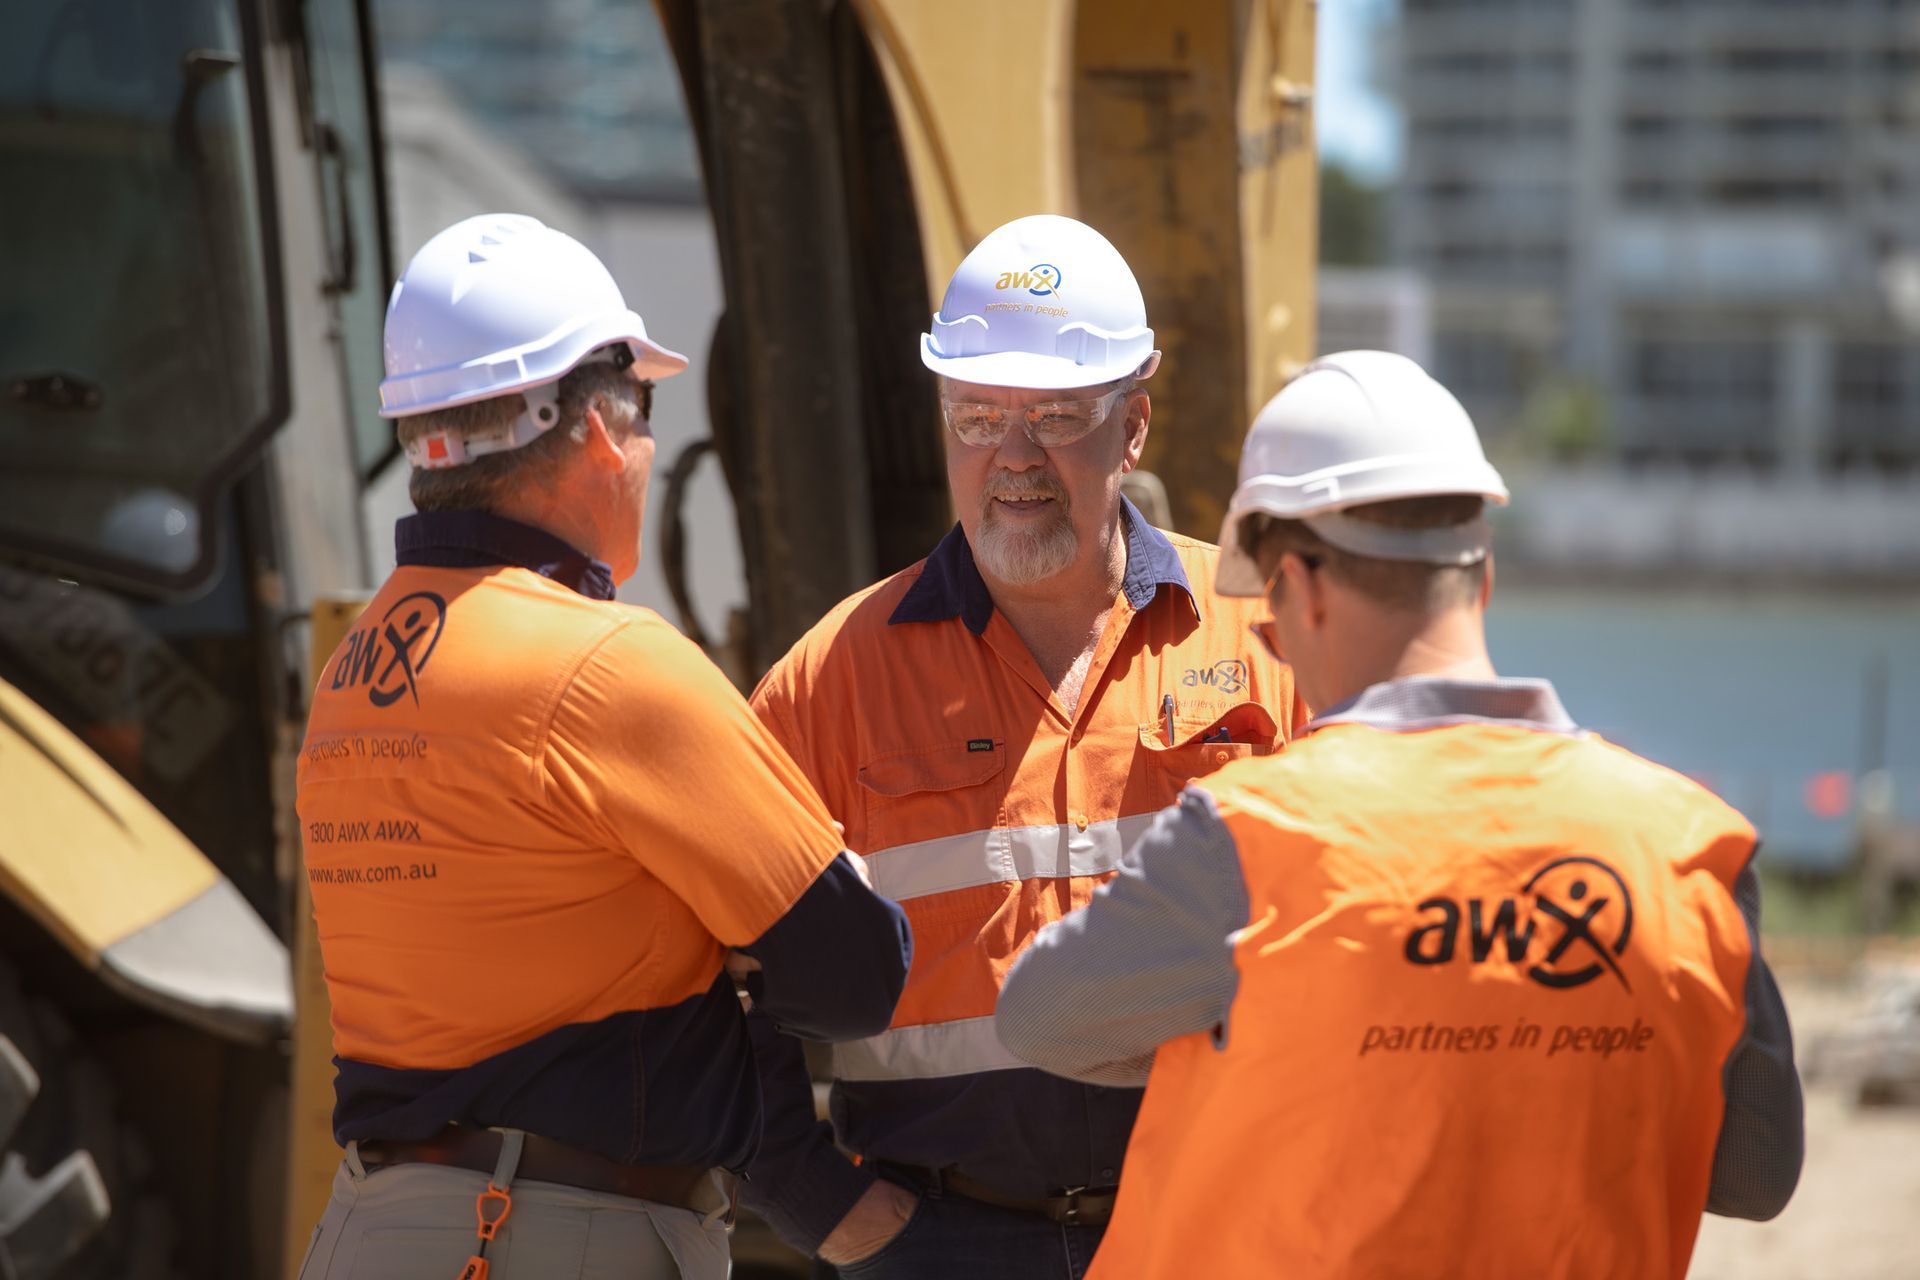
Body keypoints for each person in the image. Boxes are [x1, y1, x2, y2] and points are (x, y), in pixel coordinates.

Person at [996, 350, 1804, 1278]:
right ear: (1481, 576)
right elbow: (1756, 1175)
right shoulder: (1692, 849)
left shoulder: (1253, 838)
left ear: (1301, 586)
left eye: (1269, 622)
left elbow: (1043, 1018)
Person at [295, 214, 911, 1280]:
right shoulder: (607, 665)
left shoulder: (355, 671)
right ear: (591, 429)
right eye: (646, 411)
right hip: (550, 1235)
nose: (646, 446)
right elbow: (858, 972)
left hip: (374, 1227)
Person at [740, 214, 1308, 1279]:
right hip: (936, 1243)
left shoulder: (1265, 637)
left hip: (1214, 1232)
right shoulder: (832, 679)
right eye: (976, 416)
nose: (1012, 458)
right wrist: (818, 1201)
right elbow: (705, 977)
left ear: (1132, 426)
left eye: (1054, 416)